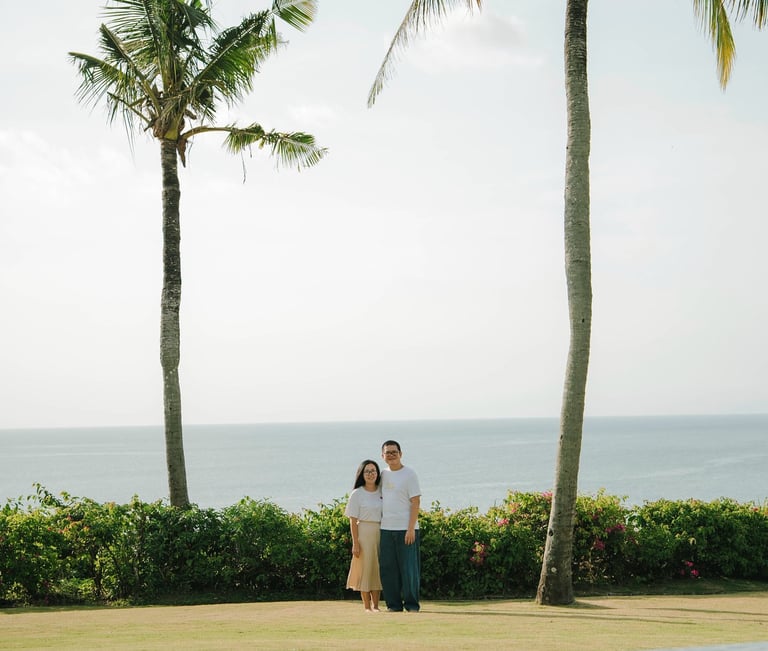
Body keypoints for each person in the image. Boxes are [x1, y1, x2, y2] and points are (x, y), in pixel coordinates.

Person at [379, 440, 421, 612]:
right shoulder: (382, 475)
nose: (391, 455)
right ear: (382, 456)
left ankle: (411, 605)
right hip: (386, 528)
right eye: (387, 452)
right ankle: (393, 605)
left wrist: (411, 528)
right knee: (388, 569)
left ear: (401, 454)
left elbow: (415, 501)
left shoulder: (409, 474)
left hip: (406, 529)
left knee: (409, 569)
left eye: (394, 452)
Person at [344, 459, 383, 612]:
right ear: (362, 474)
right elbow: (353, 521)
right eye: (367, 471)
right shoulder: (357, 494)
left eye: (373, 471)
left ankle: (376, 606)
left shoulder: (382, 491)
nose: (370, 474)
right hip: (364, 533)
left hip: (381, 531)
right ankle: (367, 607)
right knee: (366, 569)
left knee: (377, 569)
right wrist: (355, 543)